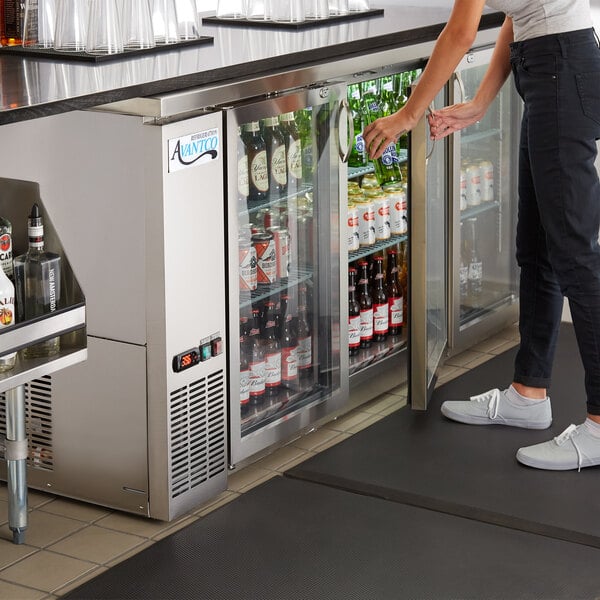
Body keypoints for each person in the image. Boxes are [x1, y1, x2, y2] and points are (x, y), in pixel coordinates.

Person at [363, 0, 600, 471]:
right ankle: (528, 395)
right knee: (535, 249)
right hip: (548, 65)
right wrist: (478, 103)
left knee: (574, 254)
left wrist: (410, 113)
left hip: (561, 67)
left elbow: (461, 33)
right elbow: (517, 15)